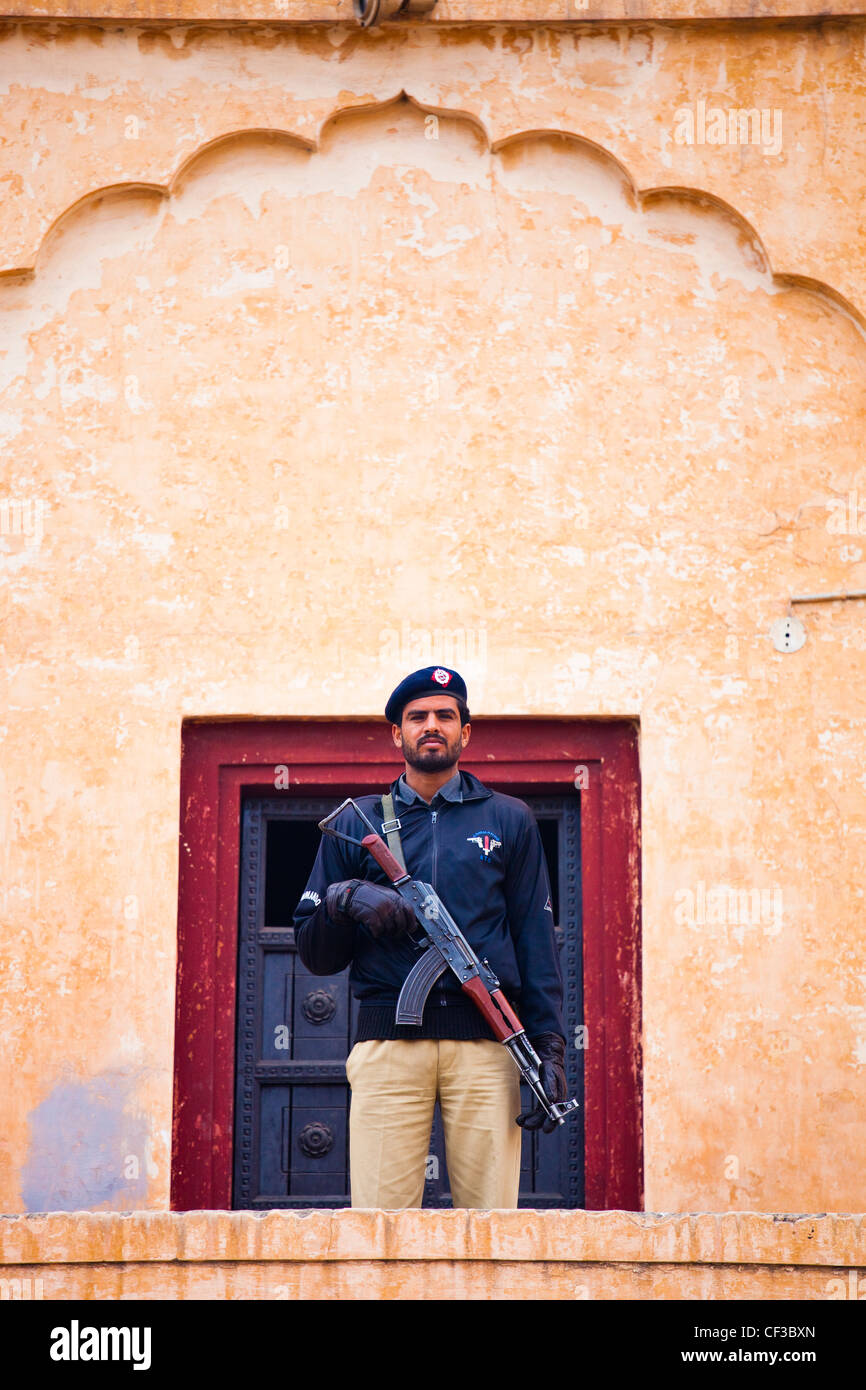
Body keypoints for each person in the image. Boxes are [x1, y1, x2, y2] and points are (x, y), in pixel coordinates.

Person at [292, 664, 568, 1209]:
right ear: (397, 734)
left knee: (490, 1228)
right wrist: (345, 899)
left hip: (487, 1047)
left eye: (446, 715)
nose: (432, 725)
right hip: (389, 1048)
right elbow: (315, 952)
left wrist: (551, 1049)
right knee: (380, 1229)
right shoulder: (356, 824)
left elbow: (536, 942)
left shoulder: (509, 819)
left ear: (467, 731)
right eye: (417, 717)